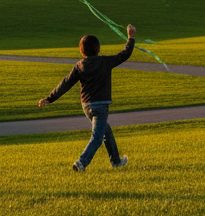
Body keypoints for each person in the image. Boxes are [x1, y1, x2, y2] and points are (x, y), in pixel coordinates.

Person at [38, 25, 137, 172]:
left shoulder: (79, 65)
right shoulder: (105, 61)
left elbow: (66, 83)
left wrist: (50, 98)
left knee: (106, 132)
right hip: (101, 107)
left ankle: (116, 161)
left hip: (87, 107)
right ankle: (81, 163)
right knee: (97, 137)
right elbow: (124, 54)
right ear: (98, 48)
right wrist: (131, 37)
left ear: (81, 51)